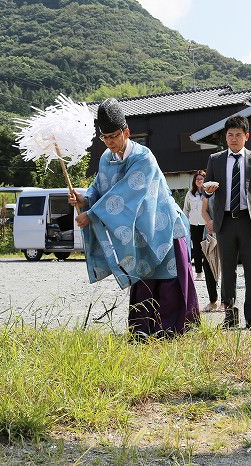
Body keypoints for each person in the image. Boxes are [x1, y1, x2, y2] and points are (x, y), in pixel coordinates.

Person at [68, 98, 200, 338]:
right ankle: (142, 332)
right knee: (144, 280)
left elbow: (126, 193)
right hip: (139, 233)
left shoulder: (143, 157)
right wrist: (84, 198)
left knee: (168, 279)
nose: (109, 142)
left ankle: (172, 331)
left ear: (126, 132)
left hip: (164, 228)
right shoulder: (106, 159)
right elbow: (100, 187)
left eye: (114, 136)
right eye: (105, 138)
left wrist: (93, 213)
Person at [204, 115, 251, 332]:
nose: (233, 139)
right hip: (225, 222)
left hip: (249, 221)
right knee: (227, 272)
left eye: (238, 135)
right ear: (226, 137)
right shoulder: (215, 159)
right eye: (230, 135)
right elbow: (209, 188)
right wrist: (208, 190)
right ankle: (230, 318)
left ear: (246, 137)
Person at [183, 170, 206, 281]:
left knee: (207, 248)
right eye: (197, 179)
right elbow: (186, 209)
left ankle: (211, 271)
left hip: (206, 223)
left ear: (204, 180)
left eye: (201, 178)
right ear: (194, 181)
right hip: (194, 224)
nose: (199, 180)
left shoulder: (208, 193)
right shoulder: (190, 193)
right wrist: (184, 222)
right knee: (197, 248)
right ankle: (199, 273)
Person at [200, 193, 220, 312]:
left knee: (227, 267)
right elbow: (204, 210)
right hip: (211, 232)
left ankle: (226, 301)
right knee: (207, 266)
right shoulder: (208, 191)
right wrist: (209, 222)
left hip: (228, 232)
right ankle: (213, 300)